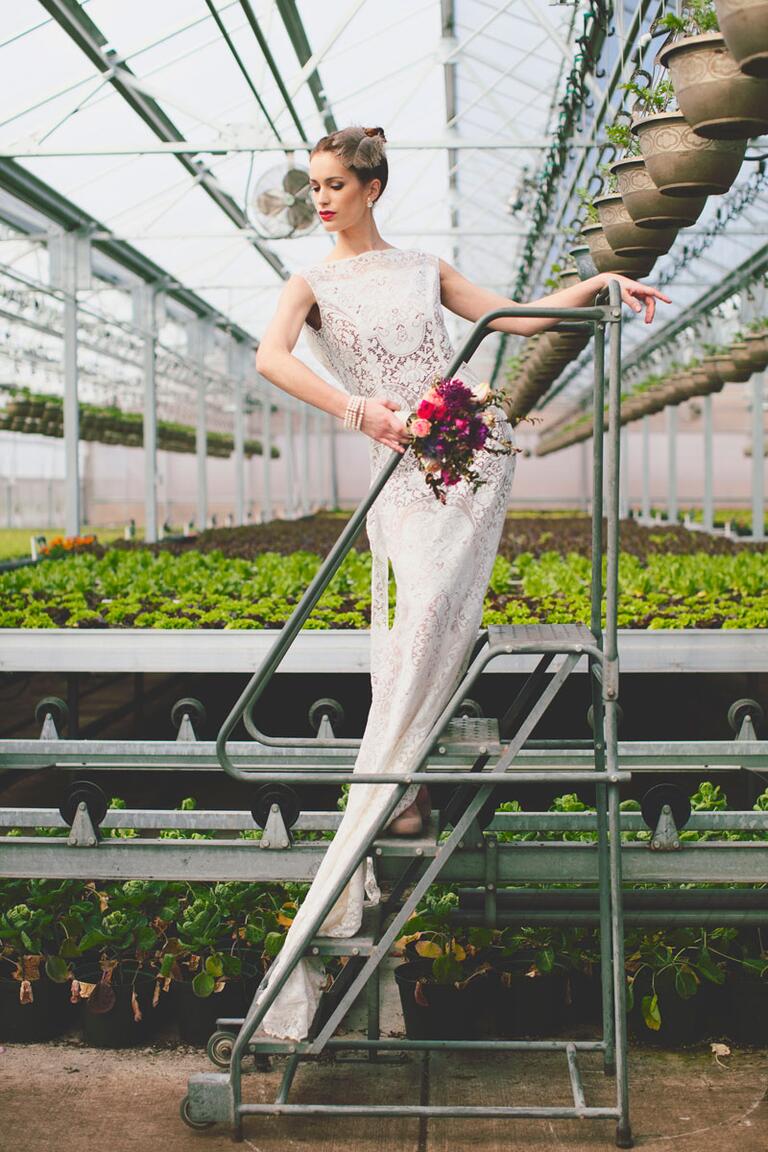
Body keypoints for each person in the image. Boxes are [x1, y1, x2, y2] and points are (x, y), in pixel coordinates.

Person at [253, 125, 670, 1040]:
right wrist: (361, 410)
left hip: (470, 458)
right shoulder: (311, 283)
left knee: (442, 611)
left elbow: (516, 318)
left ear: (371, 187)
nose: (319, 199)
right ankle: (394, 785)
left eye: (333, 184)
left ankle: (400, 781)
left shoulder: (421, 267)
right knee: (423, 610)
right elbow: (271, 359)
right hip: (398, 473)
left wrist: (602, 284)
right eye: (313, 186)